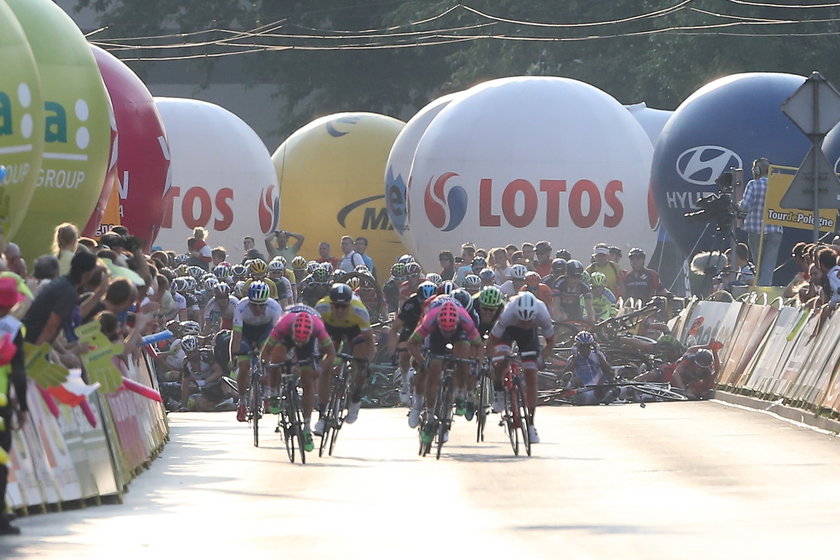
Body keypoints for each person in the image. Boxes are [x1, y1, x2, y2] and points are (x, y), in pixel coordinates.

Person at [407, 300, 482, 441]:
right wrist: (422, 361)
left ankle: (459, 394)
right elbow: (412, 344)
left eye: (450, 330)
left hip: (459, 333)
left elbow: (479, 345)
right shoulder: (430, 319)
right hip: (436, 334)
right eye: (445, 330)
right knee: (433, 374)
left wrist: (477, 363)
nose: (448, 333)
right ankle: (429, 417)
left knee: (463, 360)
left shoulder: (465, 319)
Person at [262, 306, 335, 451]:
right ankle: (274, 393)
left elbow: (331, 354)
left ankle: (307, 427)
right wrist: (267, 373)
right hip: (287, 335)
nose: (299, 344)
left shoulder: (318, 327)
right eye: (298, 341)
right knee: (276, 357)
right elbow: (266, 353)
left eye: (302, 342)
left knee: (309, 383)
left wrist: (319, 369)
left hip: (309, 341)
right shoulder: (282, 324)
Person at [487, 292, 555, 443]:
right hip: (508, 331)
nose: (524, 323)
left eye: (528, 321)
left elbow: (551, 342)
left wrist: (541, 357)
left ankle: (531, 425)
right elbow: (492, 341)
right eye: (522, 320)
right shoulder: (508, 313)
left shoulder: (542, 312)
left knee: (532, 377)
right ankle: (498, 391)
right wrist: (492, 360)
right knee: (503, 359)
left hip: (529, 336)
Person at [315, 283, 374, 425]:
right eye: (336, 306)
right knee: (324, 369)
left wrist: (366, 364)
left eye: (344, 306)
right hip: (331, 330)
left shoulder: (359, 311)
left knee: (361, 364)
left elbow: (369, 341)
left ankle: (356, 398)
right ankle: (323, 414)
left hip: (354, 329)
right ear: (330, 304)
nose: (340, 310)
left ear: (350, 304)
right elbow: (315, 336)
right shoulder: (321, 308)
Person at [230, 281, 284, 422]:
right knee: (243, 366)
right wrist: (233, 356)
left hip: (265, 332)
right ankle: (242, 403)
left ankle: (268, 394)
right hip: (246, 333)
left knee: (270, 358)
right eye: (254, 305)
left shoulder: (274, 307)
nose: (258, 308)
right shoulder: (241, 307)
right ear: (249, 302)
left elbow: (278, 336)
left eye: (262, 305)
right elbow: (236, 336)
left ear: (267, 302)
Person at [22, 252, 104, 345]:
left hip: (28, 333)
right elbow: (51, 328)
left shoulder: (62, 281)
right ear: (88, 273)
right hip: (30, 339)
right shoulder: (68, 292)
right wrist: (34, 354)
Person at [0, 277, 27, 535]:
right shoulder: (13, 327)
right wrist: (24, 407)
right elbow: (19, 371)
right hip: (2, 403)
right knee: (0, 459)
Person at [739, 157, 781, 286]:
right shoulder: (778, 185)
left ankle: (760, 290)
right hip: (775, 229)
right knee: (768, 266)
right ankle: (765, 289)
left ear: (756, 170)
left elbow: (745, 206)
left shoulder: (753, 184)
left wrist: (736, 206)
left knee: (759, 264)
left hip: (756, 229)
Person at [562, 331, 615, 405]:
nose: (585, 349)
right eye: (582, 347)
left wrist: (598, 353)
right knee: (575, 381)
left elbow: (609, 371)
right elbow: (565, 374)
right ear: (578, 348)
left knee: (608, 381)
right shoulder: (573, 359)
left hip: (598, 392)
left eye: (587, 346)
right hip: (582, 392)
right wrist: (575, 357)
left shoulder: (598, 356)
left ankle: (611, 394)